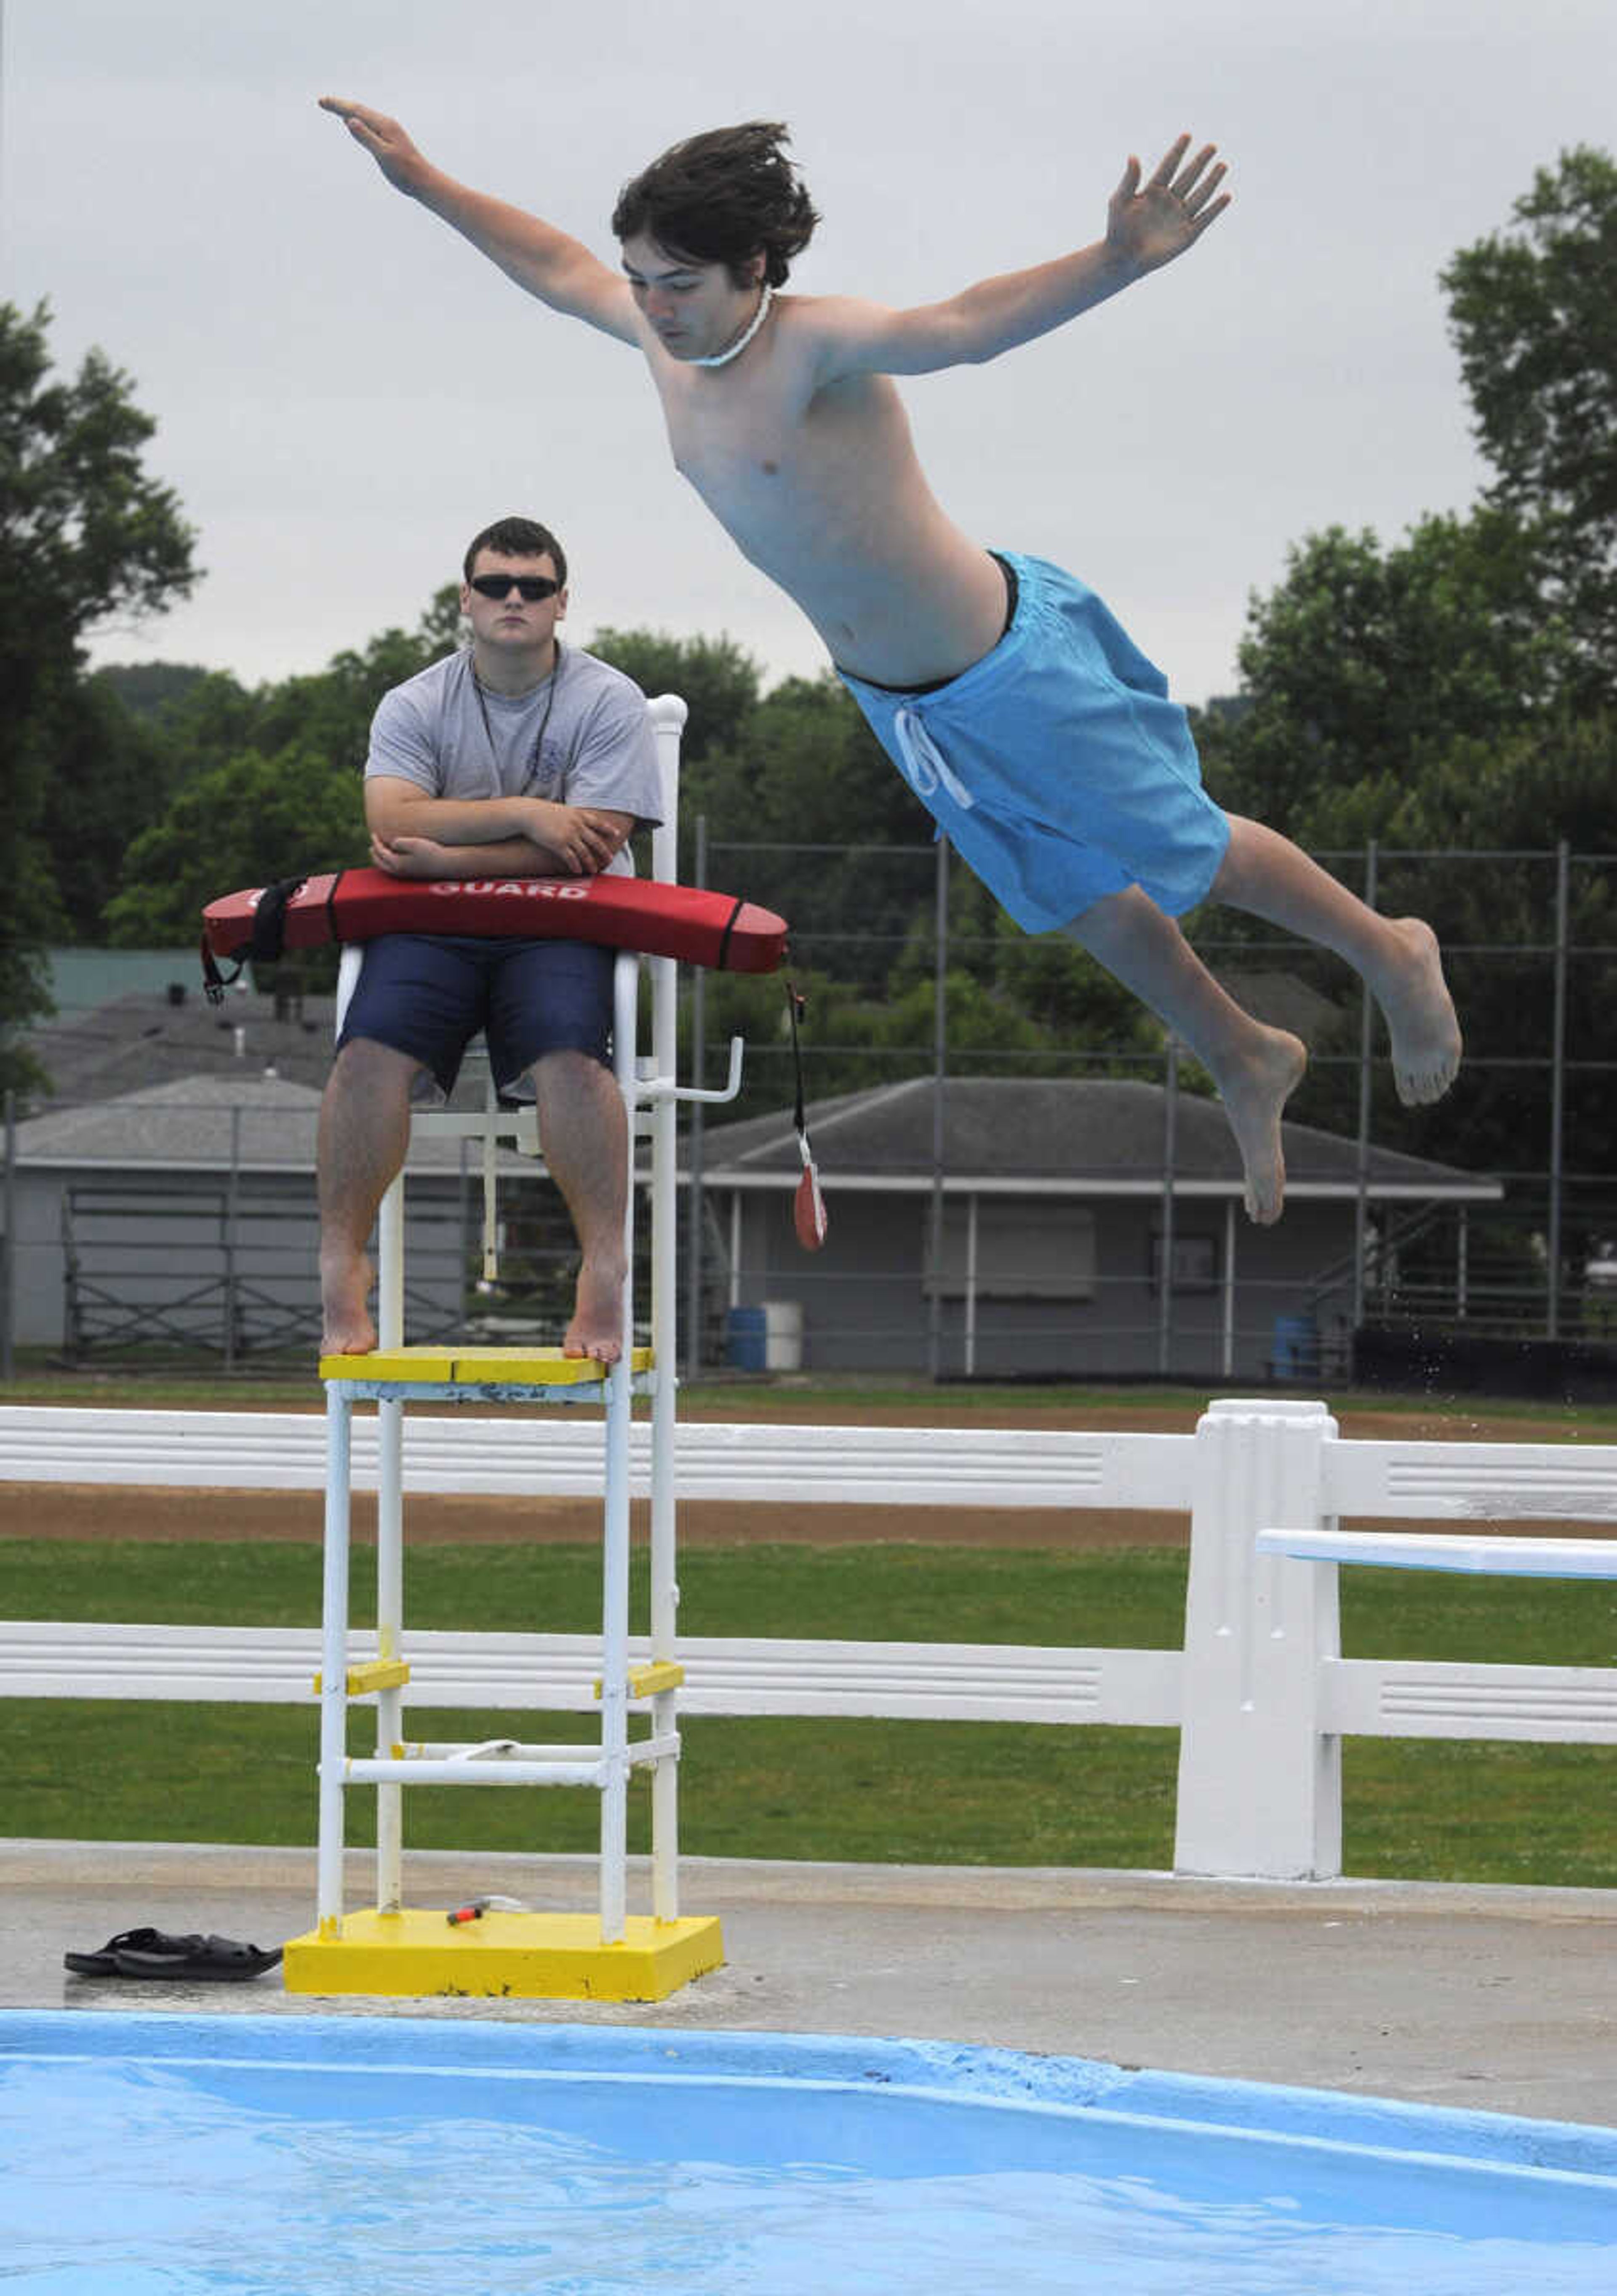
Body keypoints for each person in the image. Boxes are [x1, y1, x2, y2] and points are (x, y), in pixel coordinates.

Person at [319, 101, 1463, 1222]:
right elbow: (552, 262)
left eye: (682, 284)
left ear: (755, 266)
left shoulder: (813, 342)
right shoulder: (659, 342)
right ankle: (1242, 1048)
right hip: (905, 703)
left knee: (1190, 851)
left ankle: (1390, 950)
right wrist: (426, 183)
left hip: (1009, 666)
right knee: (1077, 898)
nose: (656, 308)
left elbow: (968, 324)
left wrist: (1119, 259)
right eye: (645, 282)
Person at [318, 514, 664, 1360]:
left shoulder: (610, 701)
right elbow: (391, 819)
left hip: (560, 930)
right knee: (365, 1054)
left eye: (535, 587)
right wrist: (528, 814)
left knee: (571, 1063)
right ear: (466, 600)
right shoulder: (415, 702)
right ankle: (339, 1264)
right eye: (498, 585)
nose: (516, 599)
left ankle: (604, 1270)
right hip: (433, 931)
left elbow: (594, 845)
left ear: (562, 603)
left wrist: (445, 852)